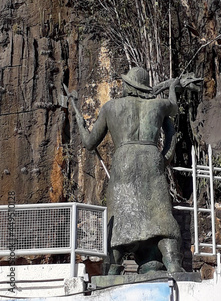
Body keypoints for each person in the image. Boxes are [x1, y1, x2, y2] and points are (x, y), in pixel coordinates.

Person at [70, 67, 184, 275]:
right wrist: (173, 88)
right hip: (152, 158)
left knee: (120, 214)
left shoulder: (111, 107)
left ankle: (112, 269)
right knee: (159, 213)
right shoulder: (158, 105)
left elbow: (88, 143)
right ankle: (172, 262)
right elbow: (174, 108)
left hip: (124, 161)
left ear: (129, 86)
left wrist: (79, 120)